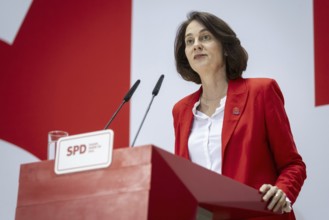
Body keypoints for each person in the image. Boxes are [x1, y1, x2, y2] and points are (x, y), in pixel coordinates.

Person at [172, 11, 306, 220]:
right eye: (189, 41)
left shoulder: (261, 92)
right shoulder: (181, 110)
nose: (196, 45)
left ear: (225, 47)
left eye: (205, 37)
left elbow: (293, 165)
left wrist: (282, 192)